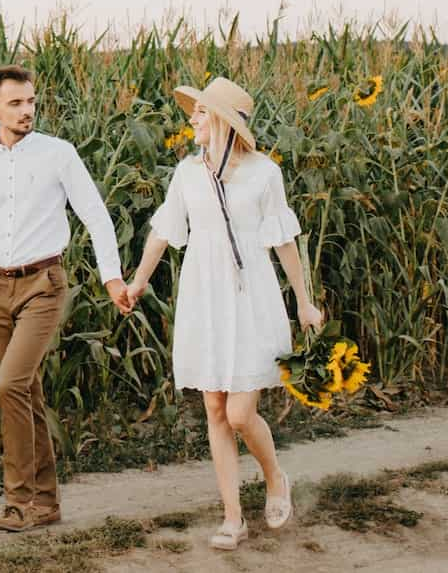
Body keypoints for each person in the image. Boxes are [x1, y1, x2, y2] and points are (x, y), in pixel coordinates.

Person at [0, 64, 131, 533]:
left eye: (31, 101)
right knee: (26, 393)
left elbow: (95, 214)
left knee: (10, 384)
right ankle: (47, 502)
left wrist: (112, 278)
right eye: (15, 103)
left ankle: (17, 502)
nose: (26, 110)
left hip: (43, 284)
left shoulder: (59, 154)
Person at [126, 76, 323, 551]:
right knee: (214, 408)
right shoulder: (187, 173)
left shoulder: (263, 174)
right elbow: (164, 232)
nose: (190, 119)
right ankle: (233, 517)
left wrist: (304, 300)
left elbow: (283, 241)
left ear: (221, 121)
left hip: (250, 294)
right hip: (204, 292)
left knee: (239, 412)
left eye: (198, 113)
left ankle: (275, 478)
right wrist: (138, 281)